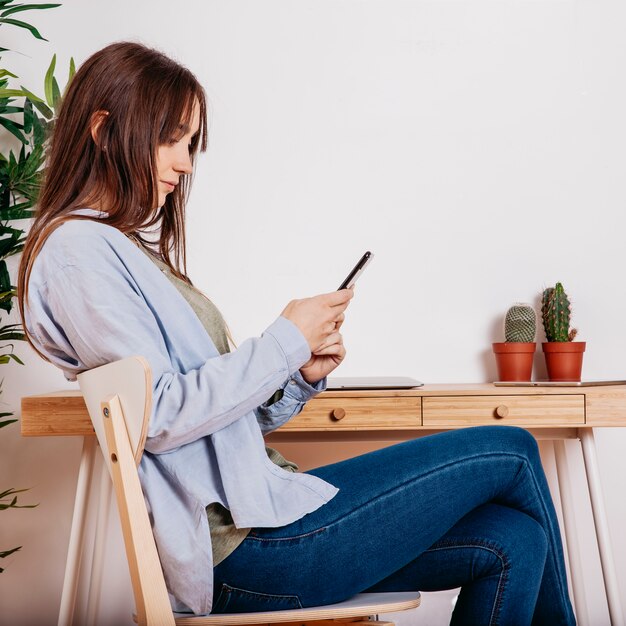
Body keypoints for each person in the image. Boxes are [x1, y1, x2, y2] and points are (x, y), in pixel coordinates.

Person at [18, 42, 576, 625]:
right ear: (104, 130)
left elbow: (211, 424)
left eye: (191, 145)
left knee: (514, 539)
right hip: (248, 551)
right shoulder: (78, 251)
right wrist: (285, 337)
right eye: (172, 138)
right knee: (512, 448)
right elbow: (158, 418)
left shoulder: (113, 248)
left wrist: (298, 374)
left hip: (265, 519)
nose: (185, 164)